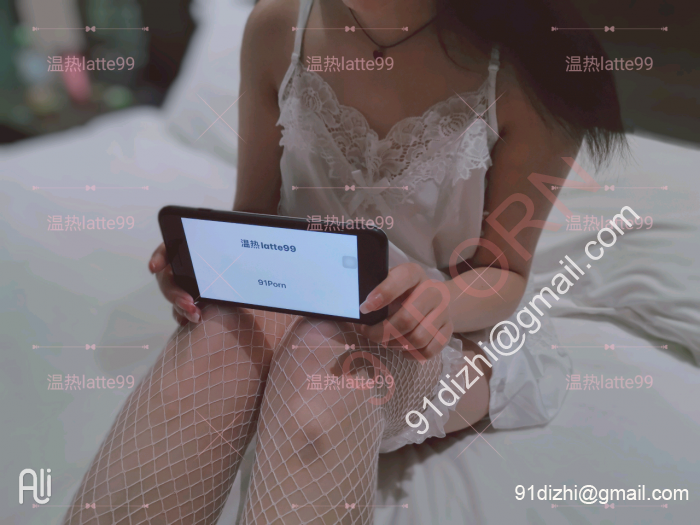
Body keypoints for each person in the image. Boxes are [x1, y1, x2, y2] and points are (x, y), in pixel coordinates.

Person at [63, 0, 626, 523]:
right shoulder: (278, 26)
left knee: (328, 363)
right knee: (213, 339)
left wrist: (440, 302)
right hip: (300, 293)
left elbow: (505, 273)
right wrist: (209, 264)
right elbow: (256, 212)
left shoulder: (530, 69)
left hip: (450, 328)